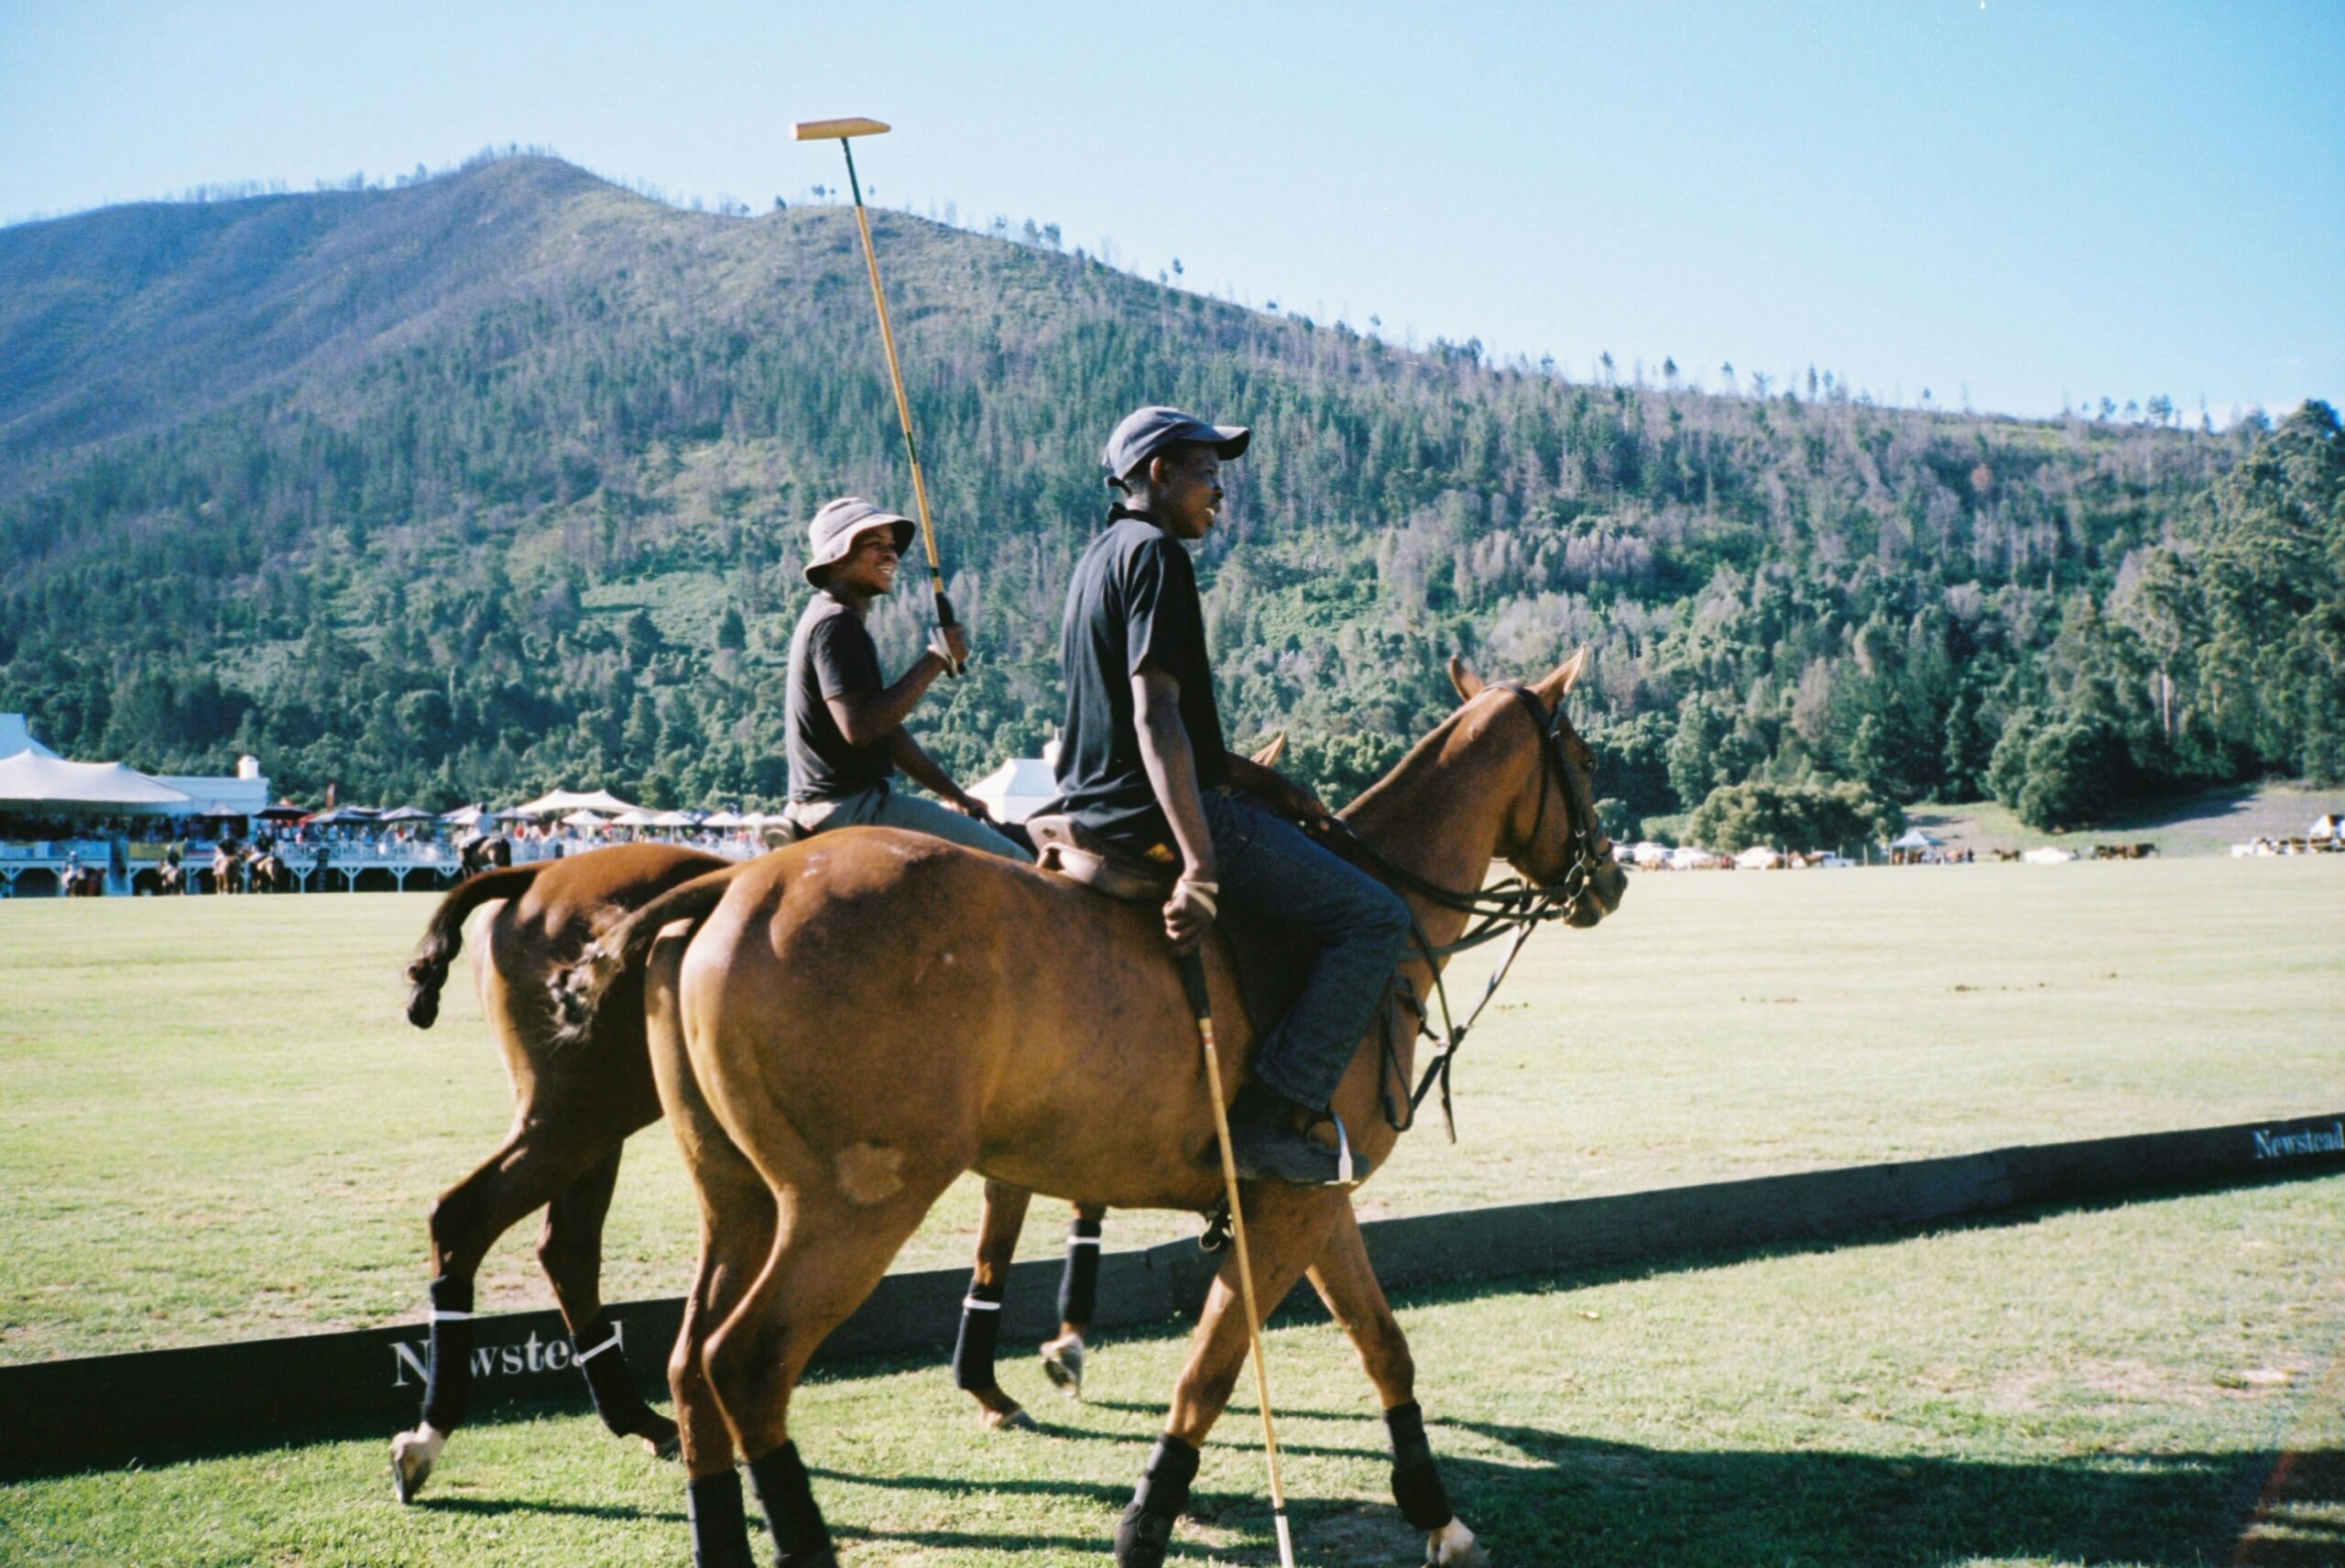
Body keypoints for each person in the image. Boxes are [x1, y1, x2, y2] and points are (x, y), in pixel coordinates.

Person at [1052, 406, 1412, 1186]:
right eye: (1208, 474)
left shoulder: (1099, 559)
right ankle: (1274, 1113)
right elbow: (1153, 717)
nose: (1220, 492)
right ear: (1159, 473)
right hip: (1150, 813)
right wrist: (1200, 864)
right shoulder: (1157, 557)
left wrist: (1266, 780)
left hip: (1092, 805)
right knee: (1377, 915)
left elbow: (1164, 726)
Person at [780, 496, 1025, 859]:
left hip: (833, 805)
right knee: (1018, 863)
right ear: (837, 557)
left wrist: (955, 795)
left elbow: (887, 732)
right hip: (853, 810)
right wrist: (936, 659)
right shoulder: (836, 624)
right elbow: (860, 728)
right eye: (874, 546)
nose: (891, 556)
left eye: (892, 547)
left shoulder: (831, 619)